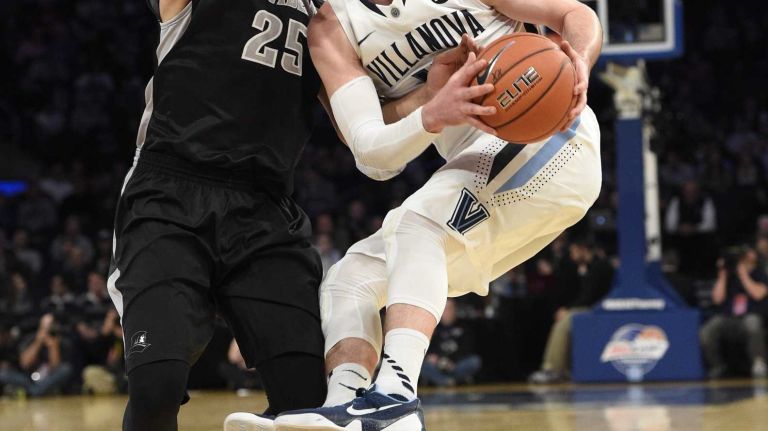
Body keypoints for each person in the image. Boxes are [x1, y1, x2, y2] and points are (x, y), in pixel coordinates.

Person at [228, 0, 602, 428]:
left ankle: (396, 398)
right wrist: (431, 104)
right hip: (487, 174)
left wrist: (579, 64)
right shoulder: (328, 31)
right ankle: (345, 407)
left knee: (416, 224)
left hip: (555, 140)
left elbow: (577, 15)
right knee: (350, 278)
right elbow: (371, 152)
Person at [109, 0, 331, 429]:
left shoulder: (328, 10)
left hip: (265, 207)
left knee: (308, 401)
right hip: (170, 192)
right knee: (156, 387)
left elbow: (358, 117)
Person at [528, 239, 613, 384]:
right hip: (590, 307)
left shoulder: (599, 266)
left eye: (574, 251)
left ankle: (552, 368)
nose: (572, 255)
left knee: (564, 322)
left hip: (599, 309)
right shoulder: (586, 267)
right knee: (565, 317)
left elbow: (589, 297)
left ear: (582, 249)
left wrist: (568, 310)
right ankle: (565, 368)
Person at [700, 246, 768, 379]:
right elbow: (717, 299)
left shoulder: (759, 274)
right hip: (729, 318)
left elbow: (758, 294)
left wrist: (744, 275)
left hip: (750, 316)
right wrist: (722, 275)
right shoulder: (729, 276)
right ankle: (717, 366)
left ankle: (759, 363)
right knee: (708, 329)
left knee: (752, 323)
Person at [0, 314, 73, 397]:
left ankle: (33, 391)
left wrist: (52, 346)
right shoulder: (29, 339)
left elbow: (55, 366)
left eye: (50, 327)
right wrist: (38, 342)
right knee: (3, 373)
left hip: (48, 379)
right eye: (45, 327)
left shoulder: (62, 342)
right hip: (27, 378)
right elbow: (25, 364)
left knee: (66, 369)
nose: (47, 330)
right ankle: (36, 391)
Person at [420, 299, 482, 387]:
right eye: (445, 309)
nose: (447, 312)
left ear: (455, 310)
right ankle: (447, 381)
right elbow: (428, 349)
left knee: (474, 361)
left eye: (450, 308)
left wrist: (452, 361)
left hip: (456, 364)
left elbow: (467, 348)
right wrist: (438, 359)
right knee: (422, 364)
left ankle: (448, 380)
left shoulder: (464, 327)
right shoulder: (434, 328)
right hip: (438, 365)